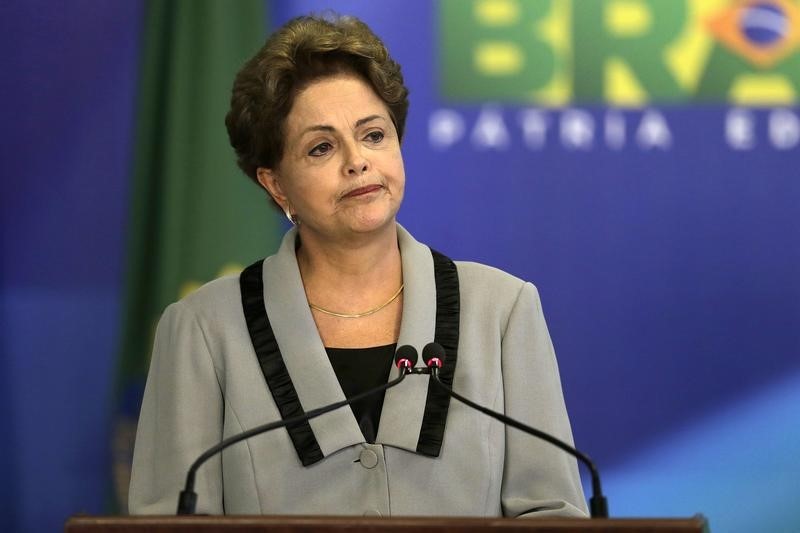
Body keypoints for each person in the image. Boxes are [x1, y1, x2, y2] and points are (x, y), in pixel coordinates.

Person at [129, 14, 588, 518]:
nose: (357, 161)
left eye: (373, 135)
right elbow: (170, 523)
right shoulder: (202, 329)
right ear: (276, 184)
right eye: (322, 147)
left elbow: (552, 514)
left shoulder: (501, 311)